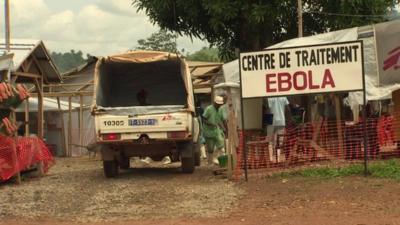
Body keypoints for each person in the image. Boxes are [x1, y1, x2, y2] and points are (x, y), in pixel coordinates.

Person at [265, 97, 290, 162]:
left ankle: (271, 159)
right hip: (281, 121)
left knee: (270, 140)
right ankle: (277, 159)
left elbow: (268, 110)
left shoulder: (269, 97)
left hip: (271, 121)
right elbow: (287, 109)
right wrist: (288, 119)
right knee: (279, 141)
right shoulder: (284, 97)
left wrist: (266, 122)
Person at [202, 96, 225, 165]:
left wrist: (224, 128)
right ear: (214, 103)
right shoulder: (209, 109)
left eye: (220, 104)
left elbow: (221, 120)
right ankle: (210, 161)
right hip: (208, 131)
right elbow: (204, 119)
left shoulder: (220, 109)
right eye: (218, 104)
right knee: (210, 148)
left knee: (221, 145)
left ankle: (218, 159)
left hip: (216, 130)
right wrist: (210, 124)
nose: (219, 105)